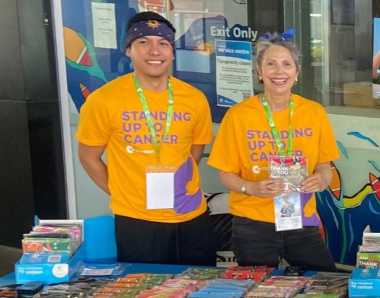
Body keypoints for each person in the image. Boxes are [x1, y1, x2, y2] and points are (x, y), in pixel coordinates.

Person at [77, 11, 215, 266]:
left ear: (172, 52)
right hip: (137, 221)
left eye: (163, 43)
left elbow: (195, 151)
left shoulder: (195, 98)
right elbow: (88, 156)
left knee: (200, 285)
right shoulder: (104, 99)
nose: (155, 51)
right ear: (128, 50)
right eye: (143, 42)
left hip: (192, 216)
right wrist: (122, 192)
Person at [208, 34, 339, 271]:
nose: (279, 71)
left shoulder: (314, 112)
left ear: (297, 73)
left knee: (325, 281)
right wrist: (252, 188)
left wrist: (321, 179)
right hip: (252, 223)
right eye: (271, 64)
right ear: (259, 72)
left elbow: (325, 165)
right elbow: (225, 174)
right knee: (257, 287)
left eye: (287, 64)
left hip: (301, 220)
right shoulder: (239, 115)